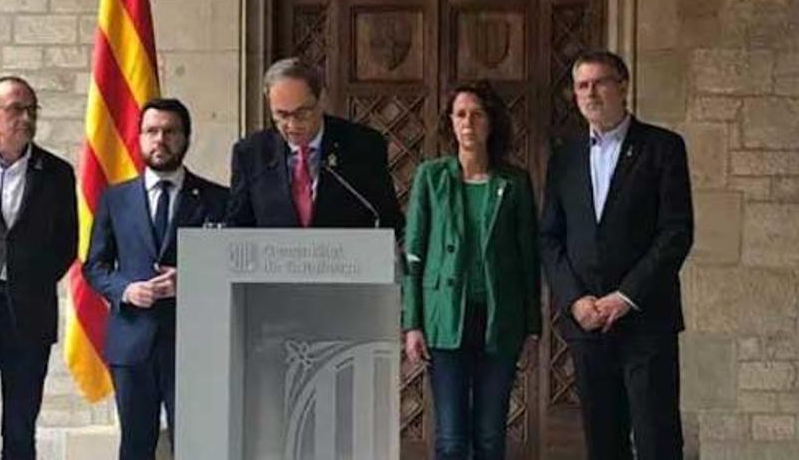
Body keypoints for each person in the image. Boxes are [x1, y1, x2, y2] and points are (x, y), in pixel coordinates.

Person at [540, 50, 694, 460]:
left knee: (657, 439)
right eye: (581, 86)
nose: (590, 93)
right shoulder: (564, 158)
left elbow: (676, 233)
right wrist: (575, 300)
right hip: (588, 326)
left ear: (622, 86)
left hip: (647, 321)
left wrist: (625, 297)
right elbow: (551, 239)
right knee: (603, 443)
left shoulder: (663, 148)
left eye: (599, 82)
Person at [402, 80, 541, 460]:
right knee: (450, 438)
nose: (468, 123)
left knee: (490, 436)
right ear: (450, 123)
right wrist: (412, 322)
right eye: (460, 114)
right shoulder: (432, 177)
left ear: (491, 123)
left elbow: (529, 257)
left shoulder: (514, 182)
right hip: (445, 320)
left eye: (477, 115)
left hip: (500, 320)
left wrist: (532, 327)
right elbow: (412, 253)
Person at [83, 98, 228, 459]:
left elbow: (236, 265)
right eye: (151, 131)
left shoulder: (218, 199)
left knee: (197, 447)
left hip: (194, 345)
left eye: (170, 132)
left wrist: (195, 279)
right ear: (139, 137)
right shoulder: (115, 199)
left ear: (186, 138)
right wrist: (127, 290)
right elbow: (95, 266)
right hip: (132, 342)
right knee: (135, 446)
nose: (159, 140)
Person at [0, 76, 78, 459]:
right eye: (15, 109)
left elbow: (66, 243)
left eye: (32, 110)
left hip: (28, 315)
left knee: (21, 429)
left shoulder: (57, 173)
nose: (26, 118)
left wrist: (30, 279)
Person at [226, 57, 403, 232]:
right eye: (281, 115)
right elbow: (237, 229)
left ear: (321, 100)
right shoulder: (250, 154)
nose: (292, 125)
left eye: (302, 113)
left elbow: (388, 220)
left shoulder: (364, 146)